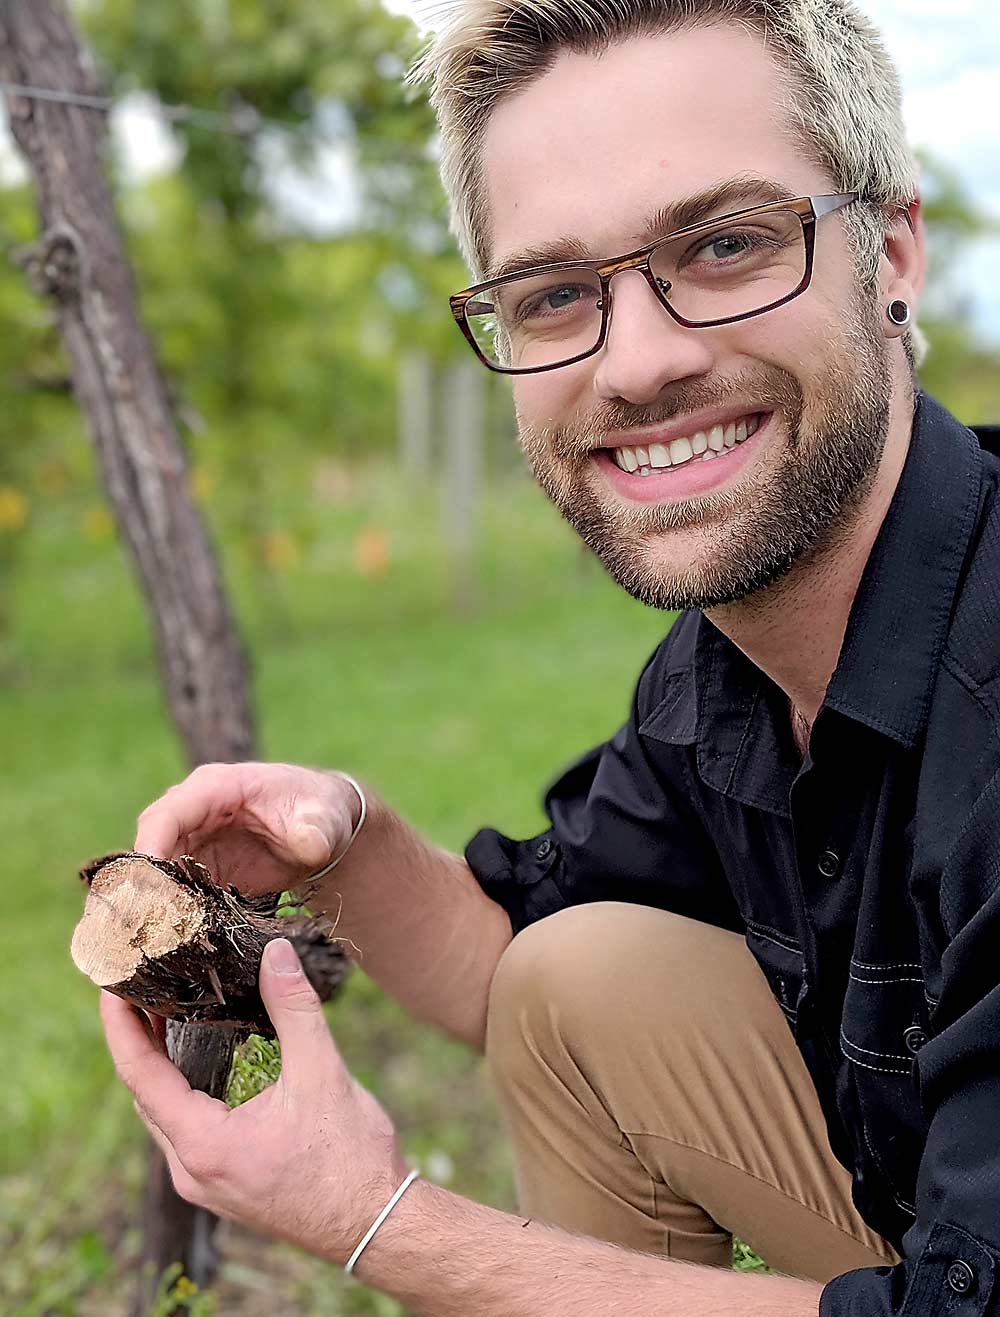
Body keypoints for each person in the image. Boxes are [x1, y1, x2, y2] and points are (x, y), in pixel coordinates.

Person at [100, 0, 1000, 1312]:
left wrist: (382, 1223)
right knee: (584, 971)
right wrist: (336, 841)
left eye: (730, 242)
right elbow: (516, 965)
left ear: (895, 251)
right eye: (557, 293)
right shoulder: (721, 679)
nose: (638, 361)